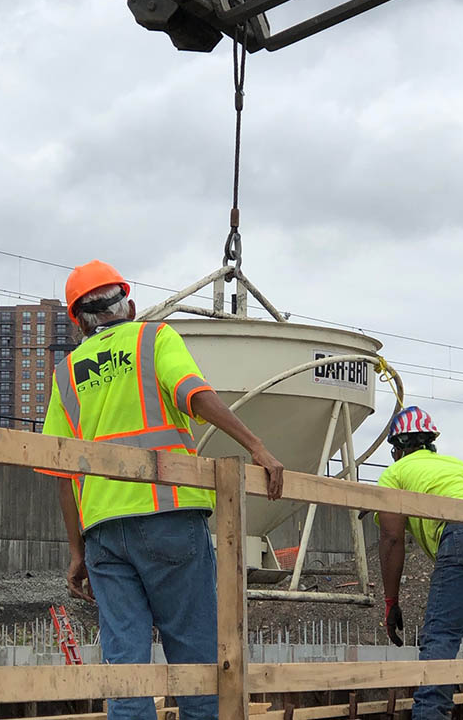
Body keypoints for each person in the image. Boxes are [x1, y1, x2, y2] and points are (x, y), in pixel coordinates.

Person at [39, 260, 284, 720]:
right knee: (197, 664)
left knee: (126, 671)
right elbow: (195, 394)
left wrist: (76, 551)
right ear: (127, 303)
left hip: (104, 534)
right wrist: (256, 446)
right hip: (169, 514)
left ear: (78, 322)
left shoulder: (66, 374)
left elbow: (61, 470)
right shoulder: (154, 338)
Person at [376, 406, 463, 720]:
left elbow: (392, 539)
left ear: (398, 449)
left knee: (440, 636)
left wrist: (391, 601)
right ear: (430, 443)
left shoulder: (394, 474)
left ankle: (430, 714)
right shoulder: (454, 466)